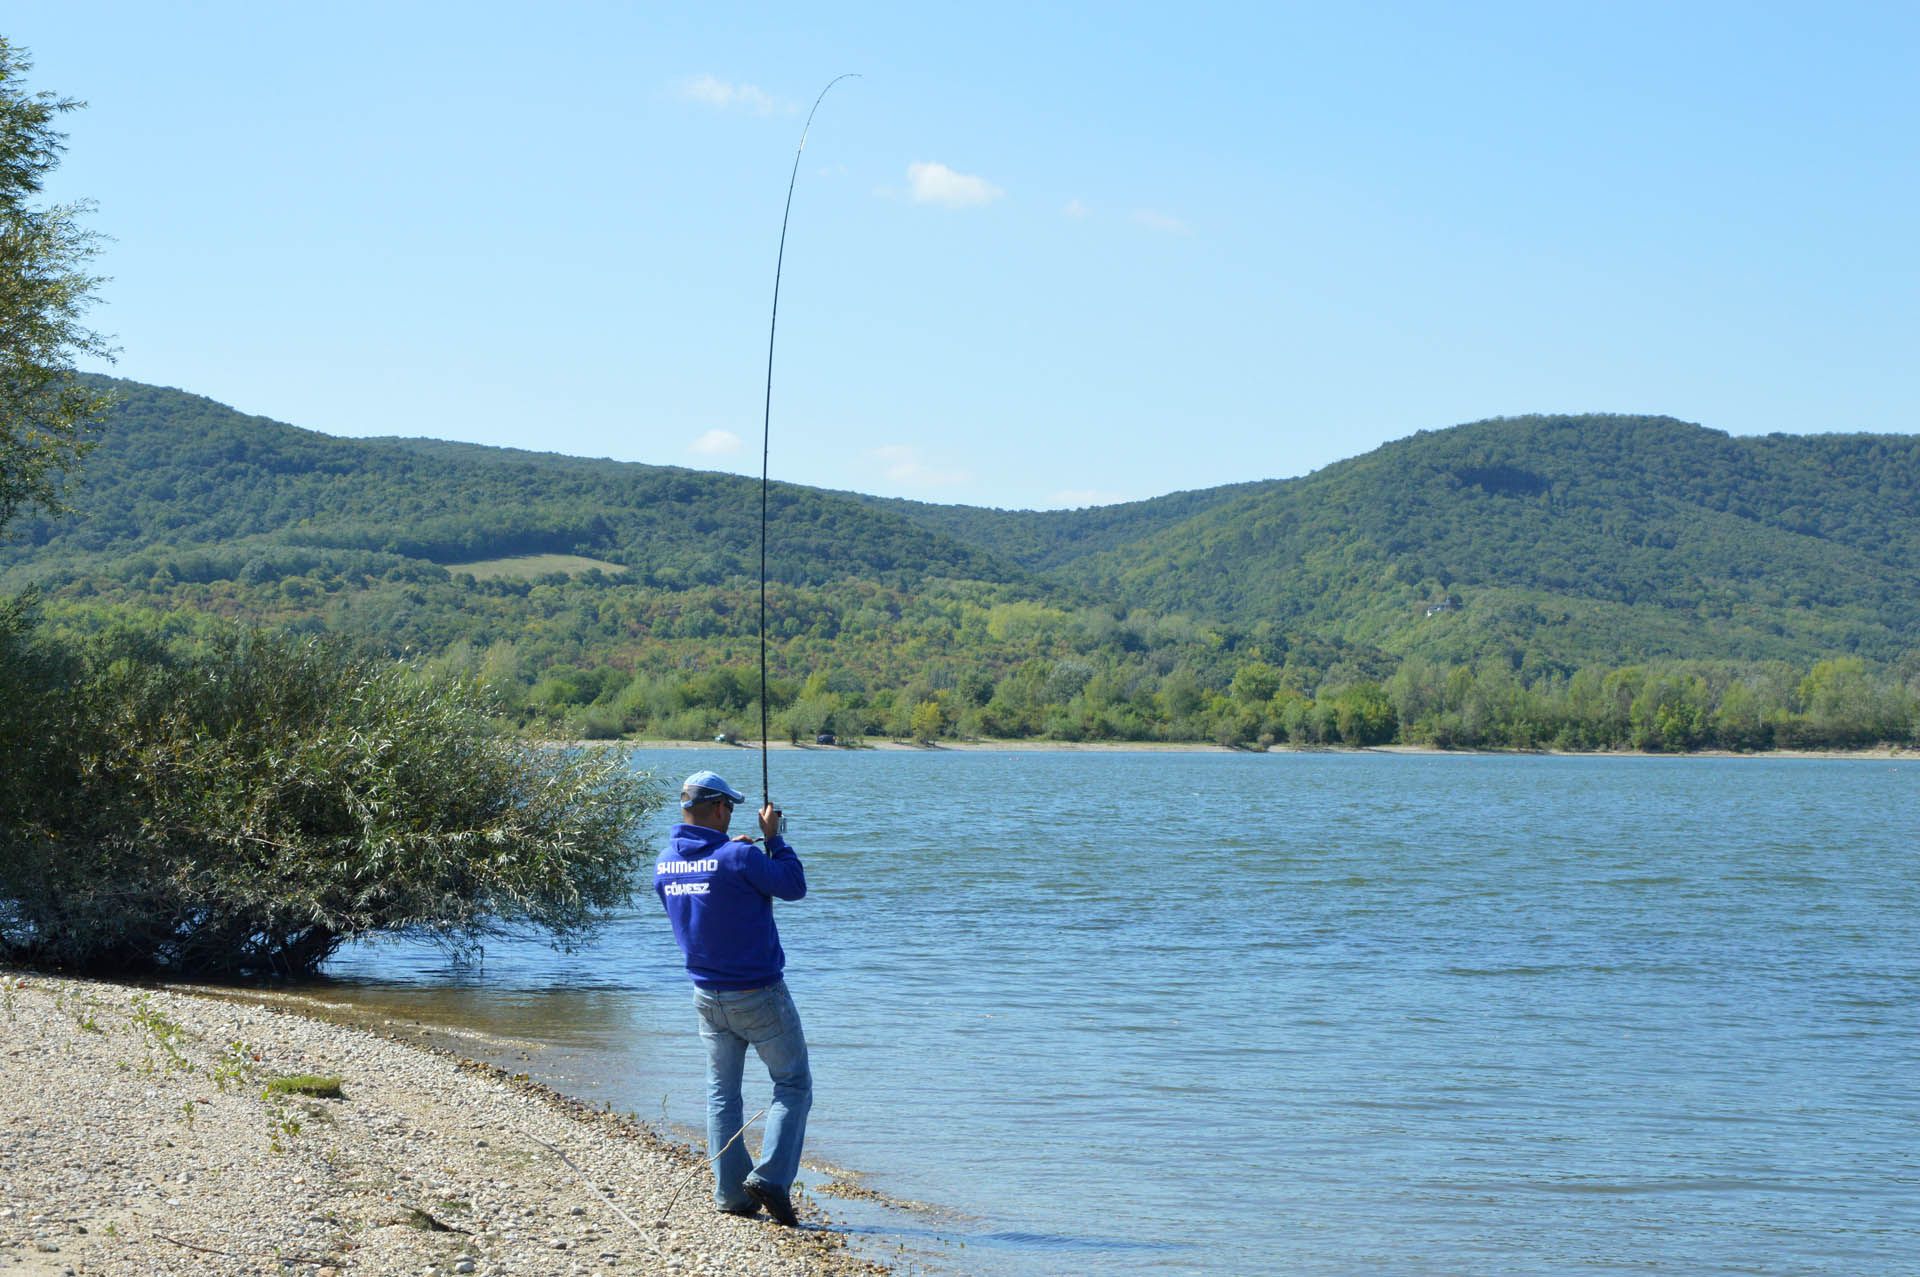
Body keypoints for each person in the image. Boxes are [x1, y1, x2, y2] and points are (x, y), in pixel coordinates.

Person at [654, 769, 812, 1226]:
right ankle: (772, 1178)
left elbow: (708, 886)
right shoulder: (739, 856)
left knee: (722, 1093)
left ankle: (729, 1191)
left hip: (706, 994)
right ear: (720, 808)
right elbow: (793, 886)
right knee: (793, 1084)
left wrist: (735, 850)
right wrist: (773, 839)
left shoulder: (665, 862)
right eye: (730, 807)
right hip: (758, 993)